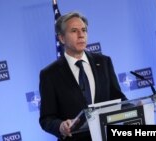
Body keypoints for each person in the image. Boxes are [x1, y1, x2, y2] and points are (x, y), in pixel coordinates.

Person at [39, 11, 127, 141]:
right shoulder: (50, 74)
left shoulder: (103, 62)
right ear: (62, 38)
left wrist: (137, 108)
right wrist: (61, 126)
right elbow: (46, 118)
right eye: (74, 31)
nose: (81, 35)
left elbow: (118, 99)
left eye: (84, 30)